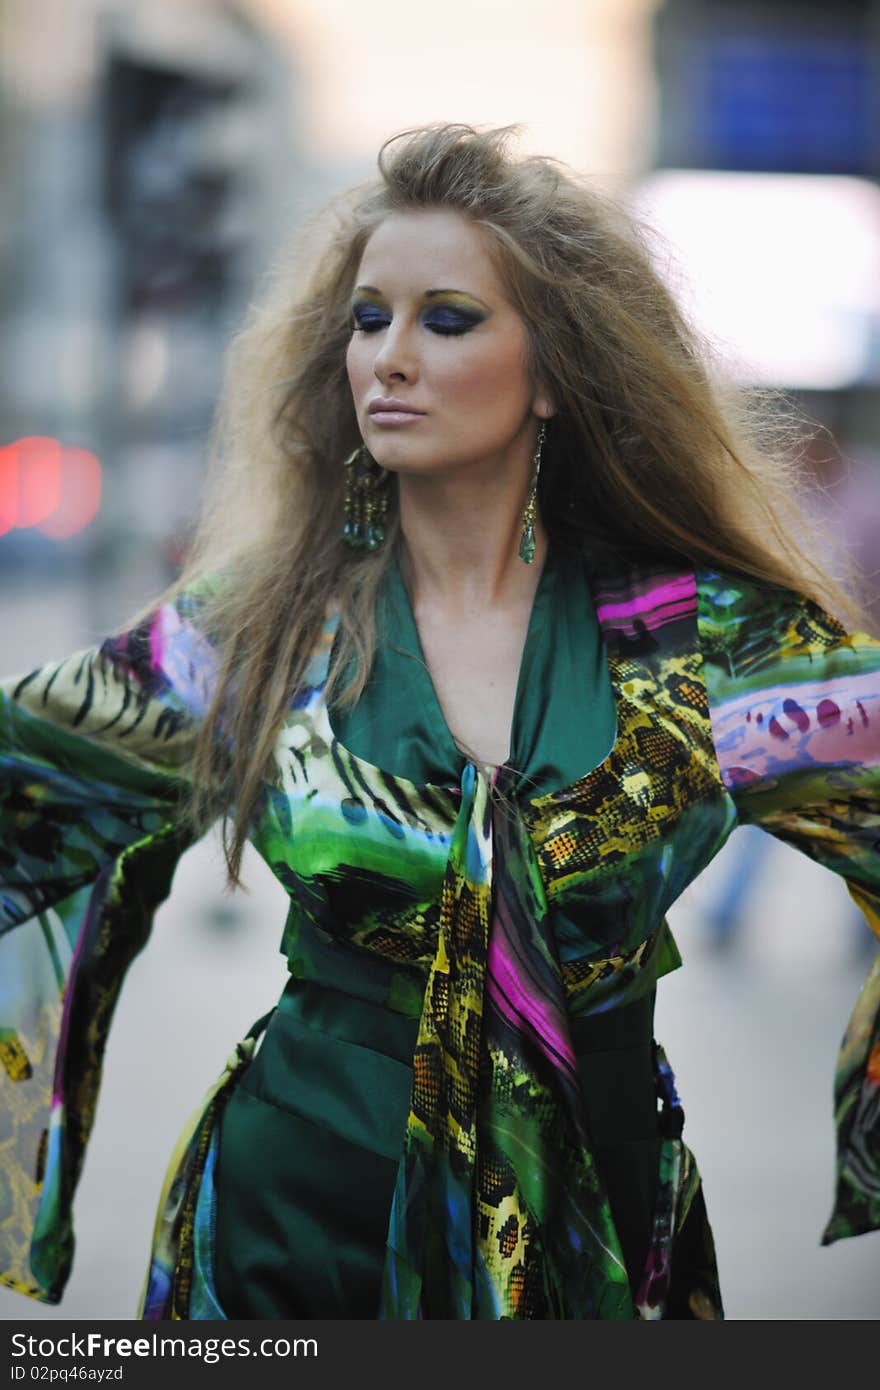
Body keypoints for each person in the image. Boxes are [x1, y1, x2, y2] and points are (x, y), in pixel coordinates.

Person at [1, 124, 879, 1322]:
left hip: (596, 1233)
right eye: (369, 319)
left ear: (555, 373)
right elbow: (27, 786)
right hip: (284, 1231)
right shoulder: (262, 633)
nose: (388, 359)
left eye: (445, 320)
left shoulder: (694, 643)